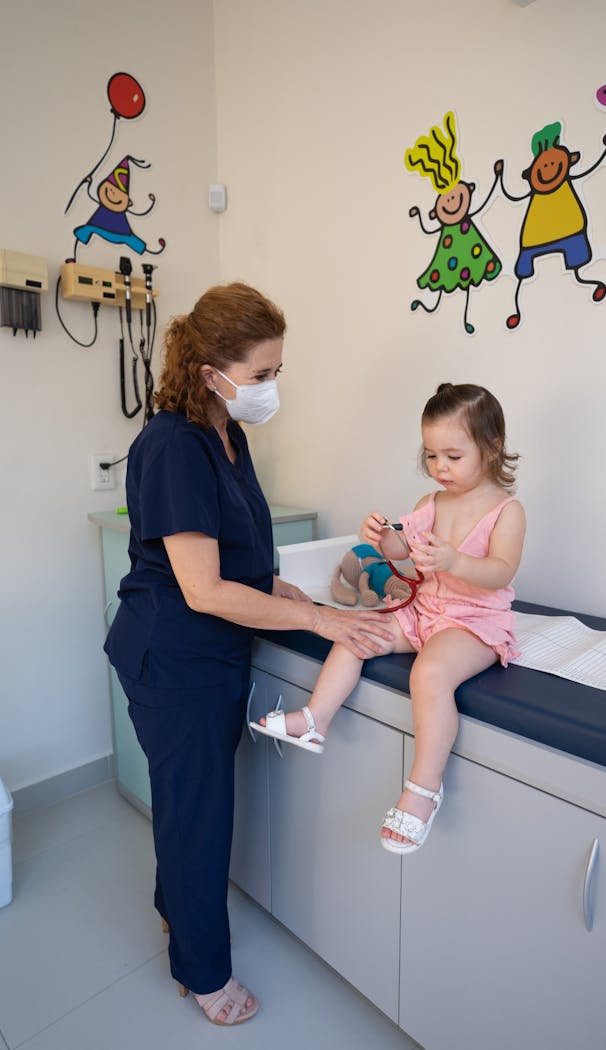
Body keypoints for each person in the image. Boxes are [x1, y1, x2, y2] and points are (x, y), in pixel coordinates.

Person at [104, 282, 393, 1027]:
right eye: (261, 375)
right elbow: (200, 588)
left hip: (207, 652)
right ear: (210, 372)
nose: (270, 389)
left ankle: (177, 911)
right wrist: (327, 624)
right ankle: (205, 975)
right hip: (174, 655)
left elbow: (232, 555)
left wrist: (286, 593)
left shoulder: (229, 435)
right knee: (198, 815)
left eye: (276, 373)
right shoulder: (172, 445)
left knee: (186, 804)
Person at [252, 382, 526, 854]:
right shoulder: (430, 504)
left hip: (473, 620)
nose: (440, 467)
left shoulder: (507, 511)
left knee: (432, 673)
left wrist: (456, 562)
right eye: (432, 455)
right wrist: (382, 538)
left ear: (492, 447)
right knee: (356, 632)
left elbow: (502, 570)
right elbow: (403, 553)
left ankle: (423, 788)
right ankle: (316, 720)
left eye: (453, 457)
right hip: (426, 609)